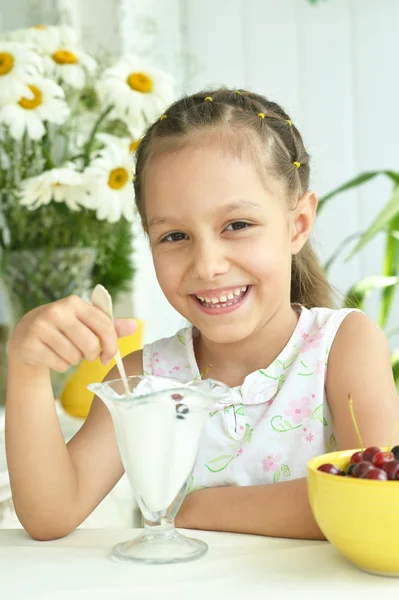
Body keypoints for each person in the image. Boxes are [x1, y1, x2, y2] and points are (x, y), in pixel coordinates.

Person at [6, 88, 399, 542]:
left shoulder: (343, 346)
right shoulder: (144, 379)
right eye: (175, 235)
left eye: (237, 225)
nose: (208, 265)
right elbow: (49, 514)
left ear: (298, 225)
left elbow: (371, 503)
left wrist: (201, 508)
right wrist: (27, 367)